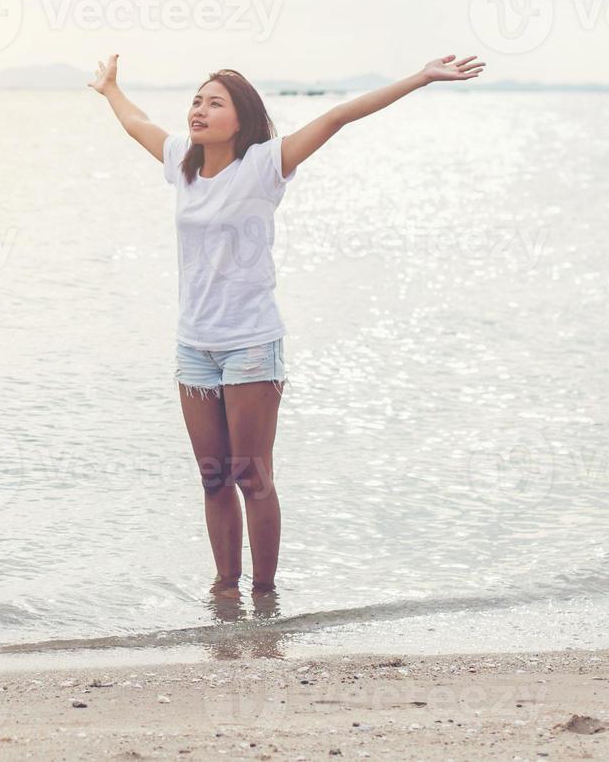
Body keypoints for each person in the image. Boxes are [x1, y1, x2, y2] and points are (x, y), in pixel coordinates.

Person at [88, 53, 485, 597]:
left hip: (250, 342)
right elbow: (136, 122)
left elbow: (339, 116)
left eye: (214, 103)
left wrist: (420, 78)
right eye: (196, 101)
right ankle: (225, 589)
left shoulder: (264, 165)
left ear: (241, 118)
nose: (199, 110)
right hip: (194, 346)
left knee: (252, 476)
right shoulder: (180, 160)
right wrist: (111, 89)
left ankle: (264, 593)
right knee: (212, 476)